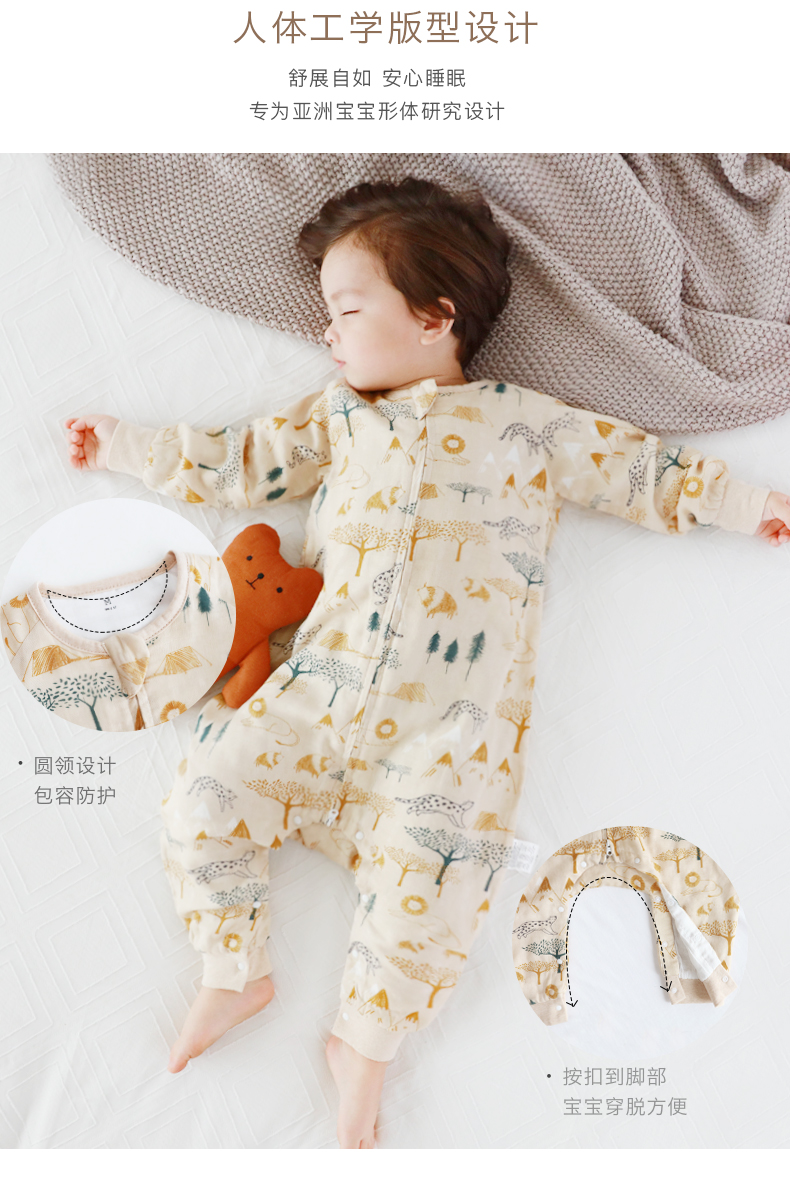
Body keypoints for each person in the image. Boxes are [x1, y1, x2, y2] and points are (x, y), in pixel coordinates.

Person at [63, 179, 790, 1148]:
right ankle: (234, 969)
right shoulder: (338, 420)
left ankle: (363, 1047)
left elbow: (641, 469)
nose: (327, 332)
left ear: (434, 316)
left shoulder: (528, 424)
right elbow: (238, 462)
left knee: (433, 904)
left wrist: (746, 505)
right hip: (315, 701)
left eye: (346, 310)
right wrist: (123, 445)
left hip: (448, 742)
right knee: (203, 798)